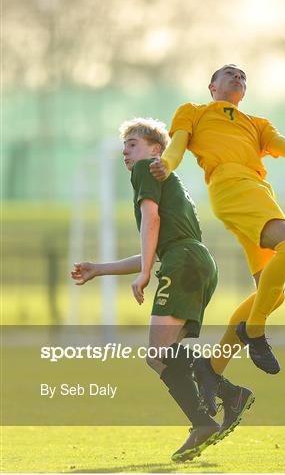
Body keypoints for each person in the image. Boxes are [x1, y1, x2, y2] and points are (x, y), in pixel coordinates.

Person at [70, 117, 254, 462]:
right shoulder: (170, 180)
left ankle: (206, 419)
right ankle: (228, 396)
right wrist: (101, 269)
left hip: (182, 261)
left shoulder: (147, 170)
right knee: (164, 353)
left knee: (157, 354)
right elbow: (160, 246)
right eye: (125, 146)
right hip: (195, 261)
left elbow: (152, 223)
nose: (127, 151)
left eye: (133, 144)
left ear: (157, 150)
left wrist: (143, 275)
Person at [149, 64, 285, 412]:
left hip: (258, 191)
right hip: (231, 188)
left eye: (243, 76)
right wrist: (166, 166)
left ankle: (212, 370)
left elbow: (284, 145)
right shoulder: (194, 112)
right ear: (211, 85)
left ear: (244, 91)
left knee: (273, 294)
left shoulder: (257, 124)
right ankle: (254, 331)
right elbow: (177, 147)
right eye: (229, 73)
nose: (237, 77)